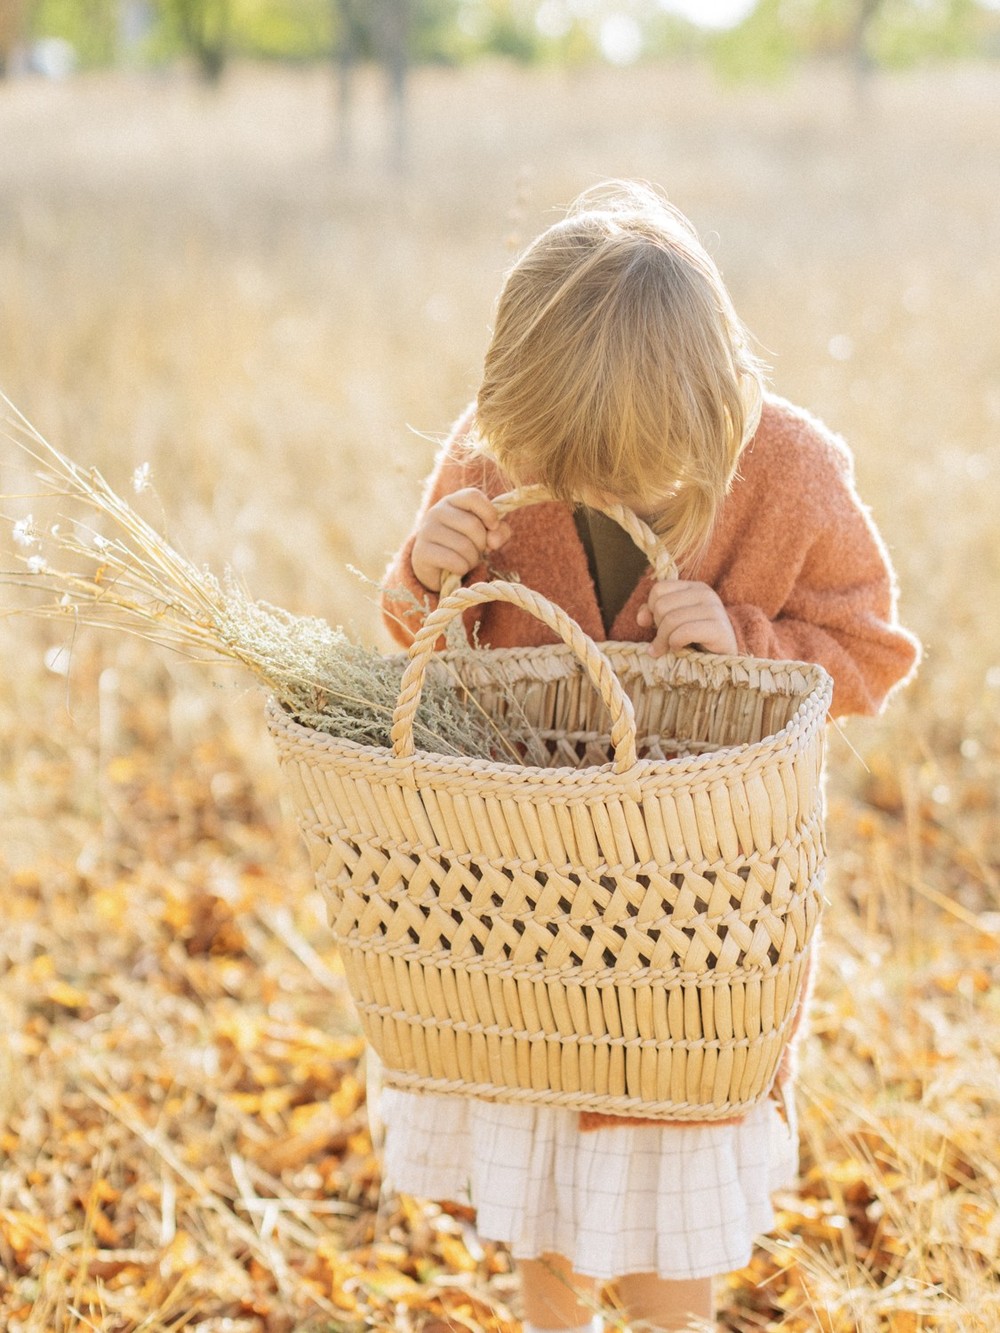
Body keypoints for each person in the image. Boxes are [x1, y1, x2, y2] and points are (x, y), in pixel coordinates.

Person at [378, 181, 919, 1333]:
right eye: (577, 479)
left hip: (697, 936)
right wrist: (423, 574)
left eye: (639, 483)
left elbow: (869, 654)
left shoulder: (790, 471)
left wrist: (748, 647)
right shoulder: (492, 466)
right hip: (528, 911)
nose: (608, 501)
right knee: (543, 1173)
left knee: (667, 1185)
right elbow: (433, 650)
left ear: (713, 414)